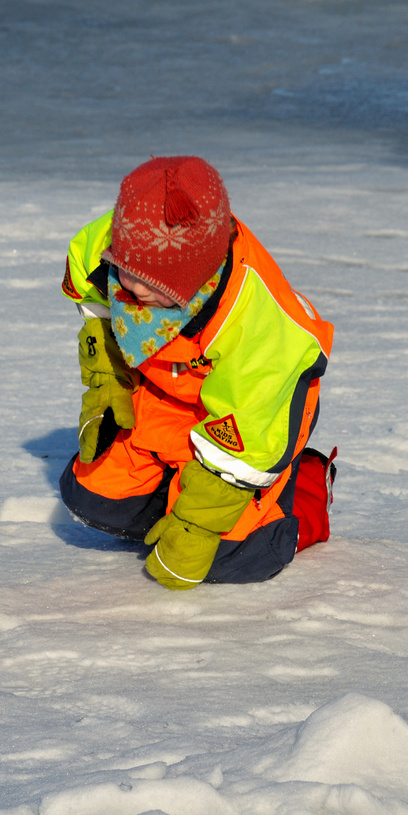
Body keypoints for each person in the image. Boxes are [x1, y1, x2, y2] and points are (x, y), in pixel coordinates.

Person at [59, 155, 335, 590]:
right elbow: (94, 306)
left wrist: (197, 527)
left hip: (258, 415)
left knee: (231, 558)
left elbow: (248, 431)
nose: (134, 289)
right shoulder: (105, 244)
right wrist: (108, 380)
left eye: (155, 284)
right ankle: (180, 490)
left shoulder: (259, 325)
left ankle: (300, 492)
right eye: (126, 271)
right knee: (89, 498)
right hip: (168, 387)